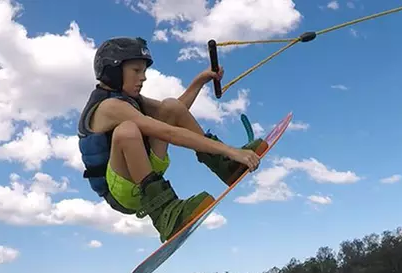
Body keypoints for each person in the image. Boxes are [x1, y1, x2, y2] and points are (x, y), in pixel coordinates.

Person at [78, 36, 266, 243]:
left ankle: (226, 167)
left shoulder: (130, 100)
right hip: (123, 193)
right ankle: (165, 214)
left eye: (144, 71)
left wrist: (200, 81)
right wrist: (230, 149)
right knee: (127, 131)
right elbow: (168, 133)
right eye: (136, 71)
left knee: (170, 105)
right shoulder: (110, 107)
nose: (143, 78)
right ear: (113, 71)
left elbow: (176, 113)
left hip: (146, 175)